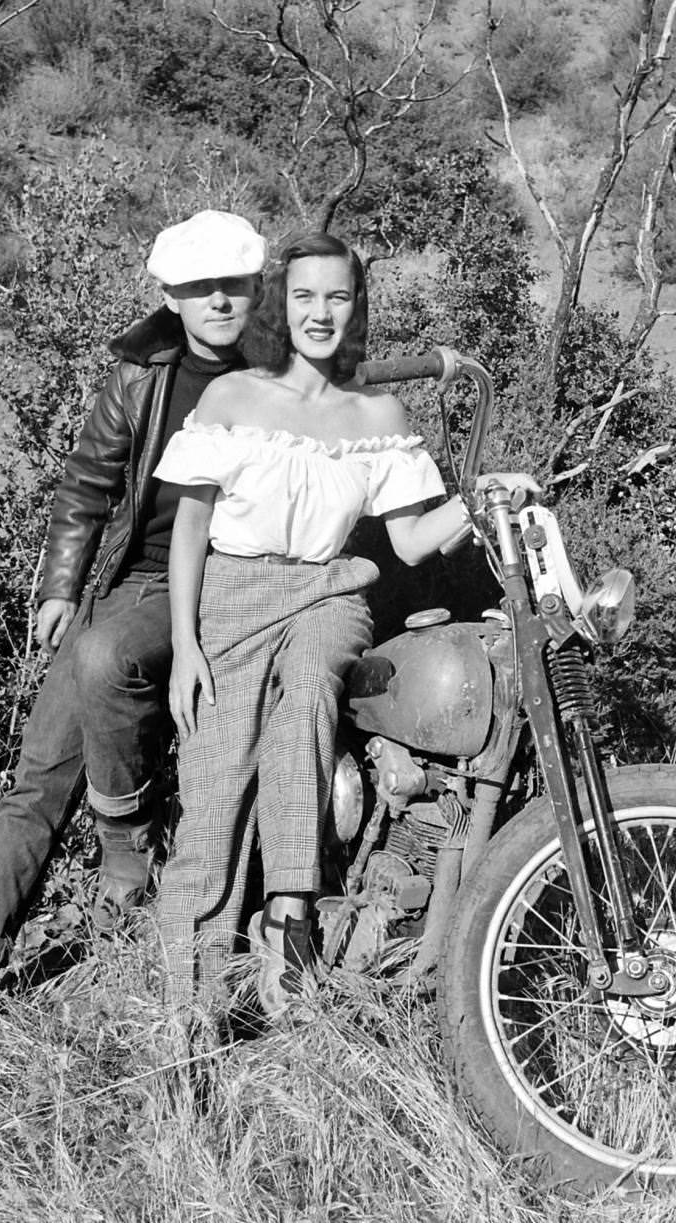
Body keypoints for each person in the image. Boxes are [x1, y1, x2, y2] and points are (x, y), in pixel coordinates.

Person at [153, 231, 536, 1018]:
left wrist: (481, 497)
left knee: (308, 697)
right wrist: (186, 645)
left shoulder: (377, 412)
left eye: (337, 296)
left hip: (330, 592)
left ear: (356, 306)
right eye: (304, 296)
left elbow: (408, 539)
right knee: (215, 796)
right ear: (279, 306)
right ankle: (183, 1020)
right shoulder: (233, 400)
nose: (320, 313)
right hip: (230, 599)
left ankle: (292, 919)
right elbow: (190, 528)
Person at [0, 210, 267, 1009]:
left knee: (105, 657)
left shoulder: (277, 374)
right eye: (199, 287)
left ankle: (126, 847)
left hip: (232, 583)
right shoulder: (141, 376)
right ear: (172, 297)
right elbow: (86, 485)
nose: (218, 301)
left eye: (233, 285)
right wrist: (61, 585)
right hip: (137, 580)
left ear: (254, 289)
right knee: (40, 770)